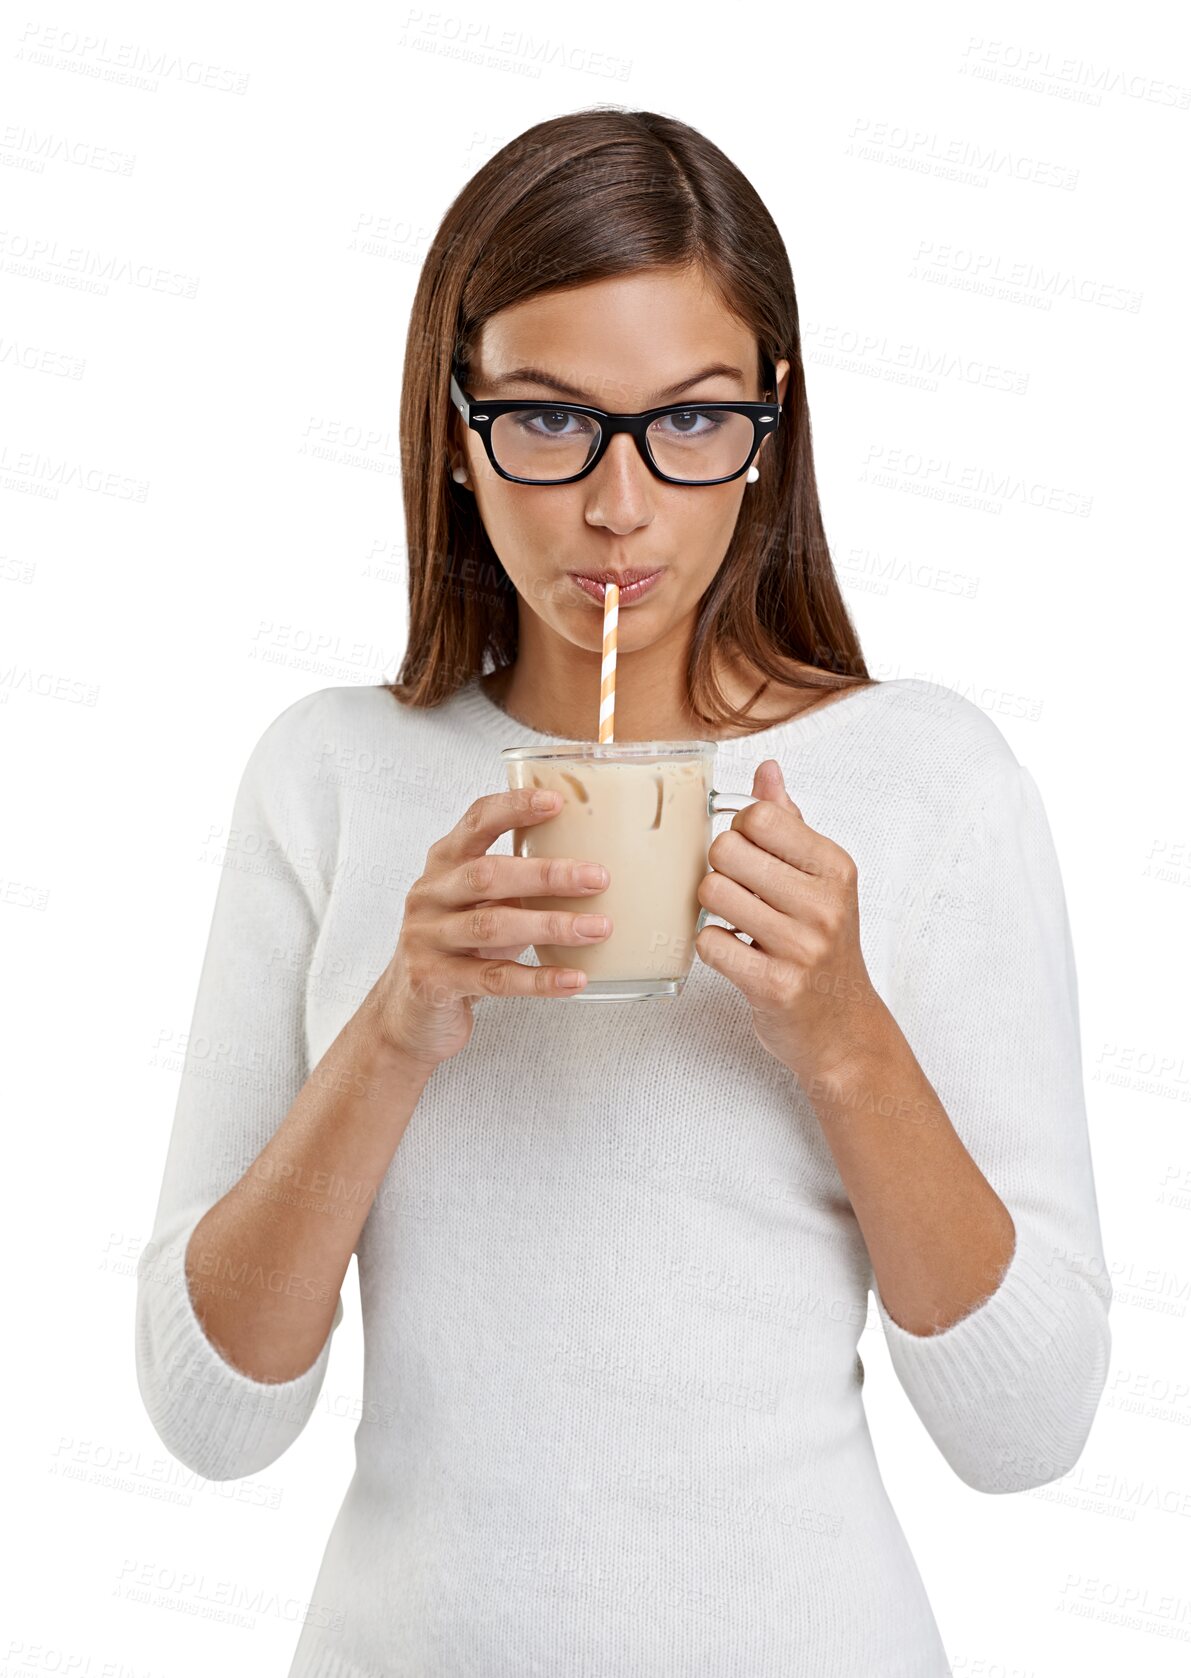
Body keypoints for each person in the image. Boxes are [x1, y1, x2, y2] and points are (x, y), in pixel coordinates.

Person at [135, 108, 1112, 1677]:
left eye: (690, 420)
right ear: (456, 423)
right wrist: (394, 1030)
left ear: (771, 419)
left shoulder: (929, 780)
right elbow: (212, 1413)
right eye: (546, 420)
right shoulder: (326, 776)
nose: (618, 504)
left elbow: (1031, 1425)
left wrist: (846, 1034)